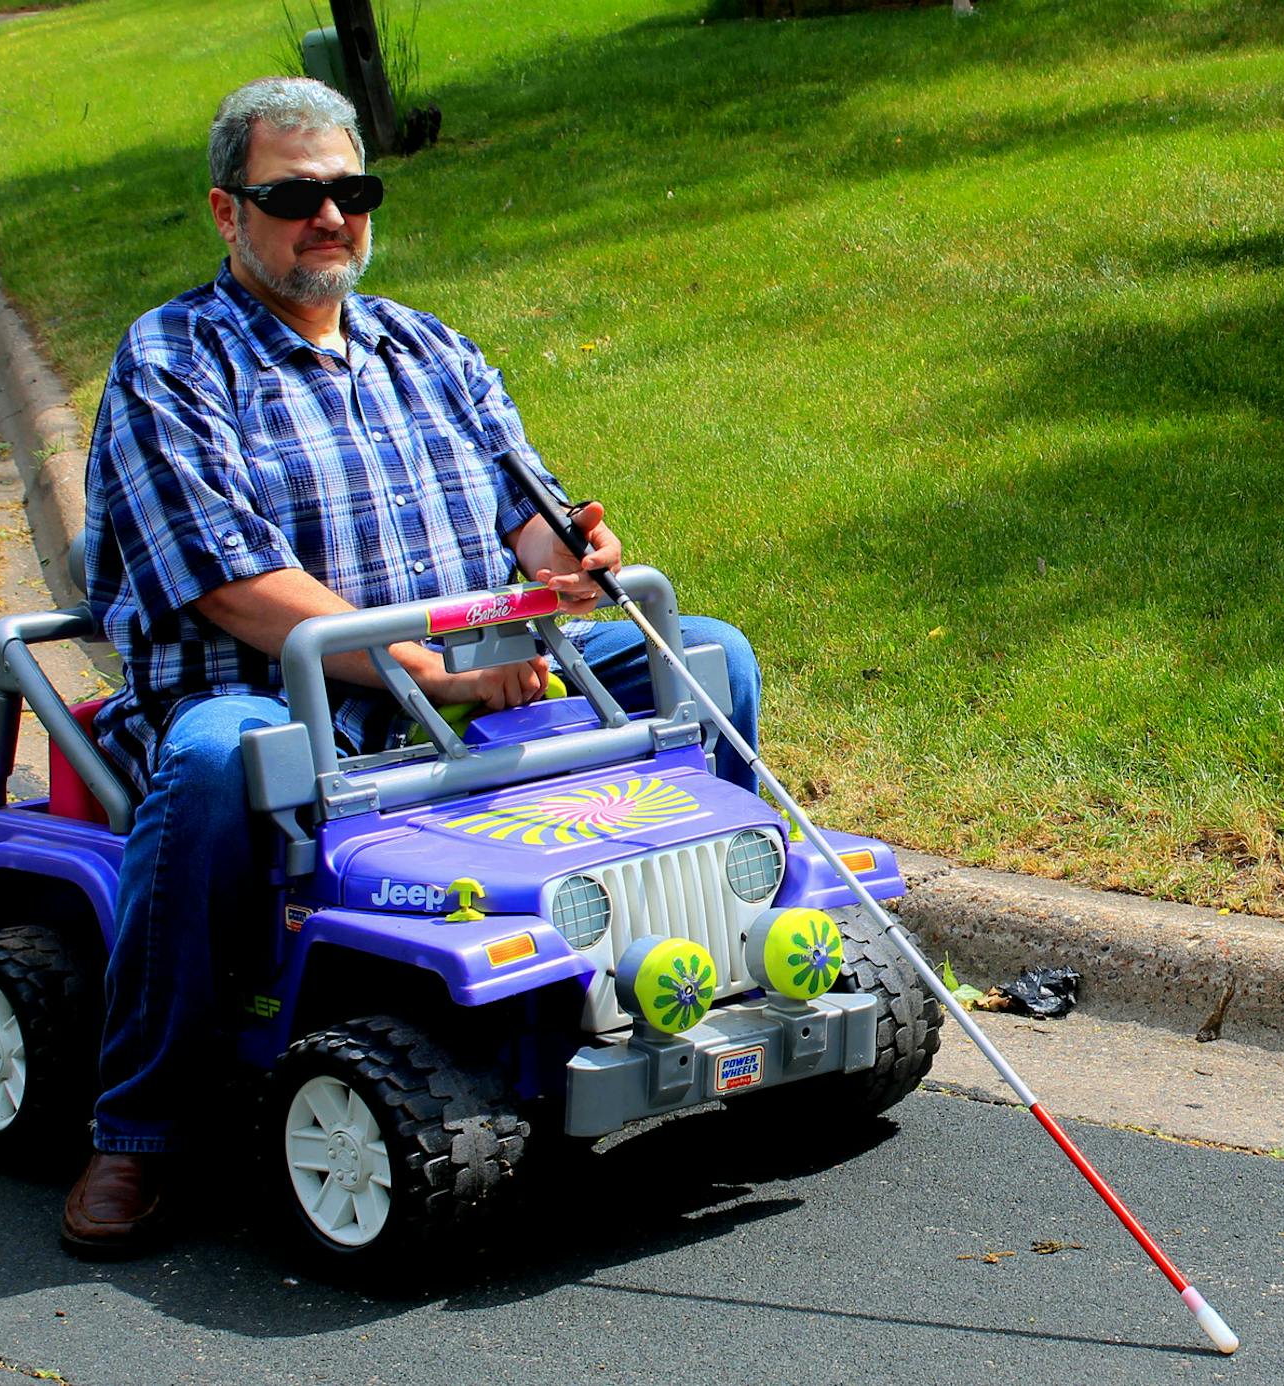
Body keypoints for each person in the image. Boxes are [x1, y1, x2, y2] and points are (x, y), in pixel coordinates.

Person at [60, 76, 760, 1255]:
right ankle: (140, 1129)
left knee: (706, 657)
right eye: (294, 195)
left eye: (351, 189)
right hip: (264, 698)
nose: (330, 216)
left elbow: (523, 522)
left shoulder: (426, 348)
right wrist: (430, 675)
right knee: (216, 763)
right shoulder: (171, 361)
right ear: (228, 212)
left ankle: (711, 976)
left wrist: (574, 556)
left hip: (461, 683)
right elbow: (235, 585)